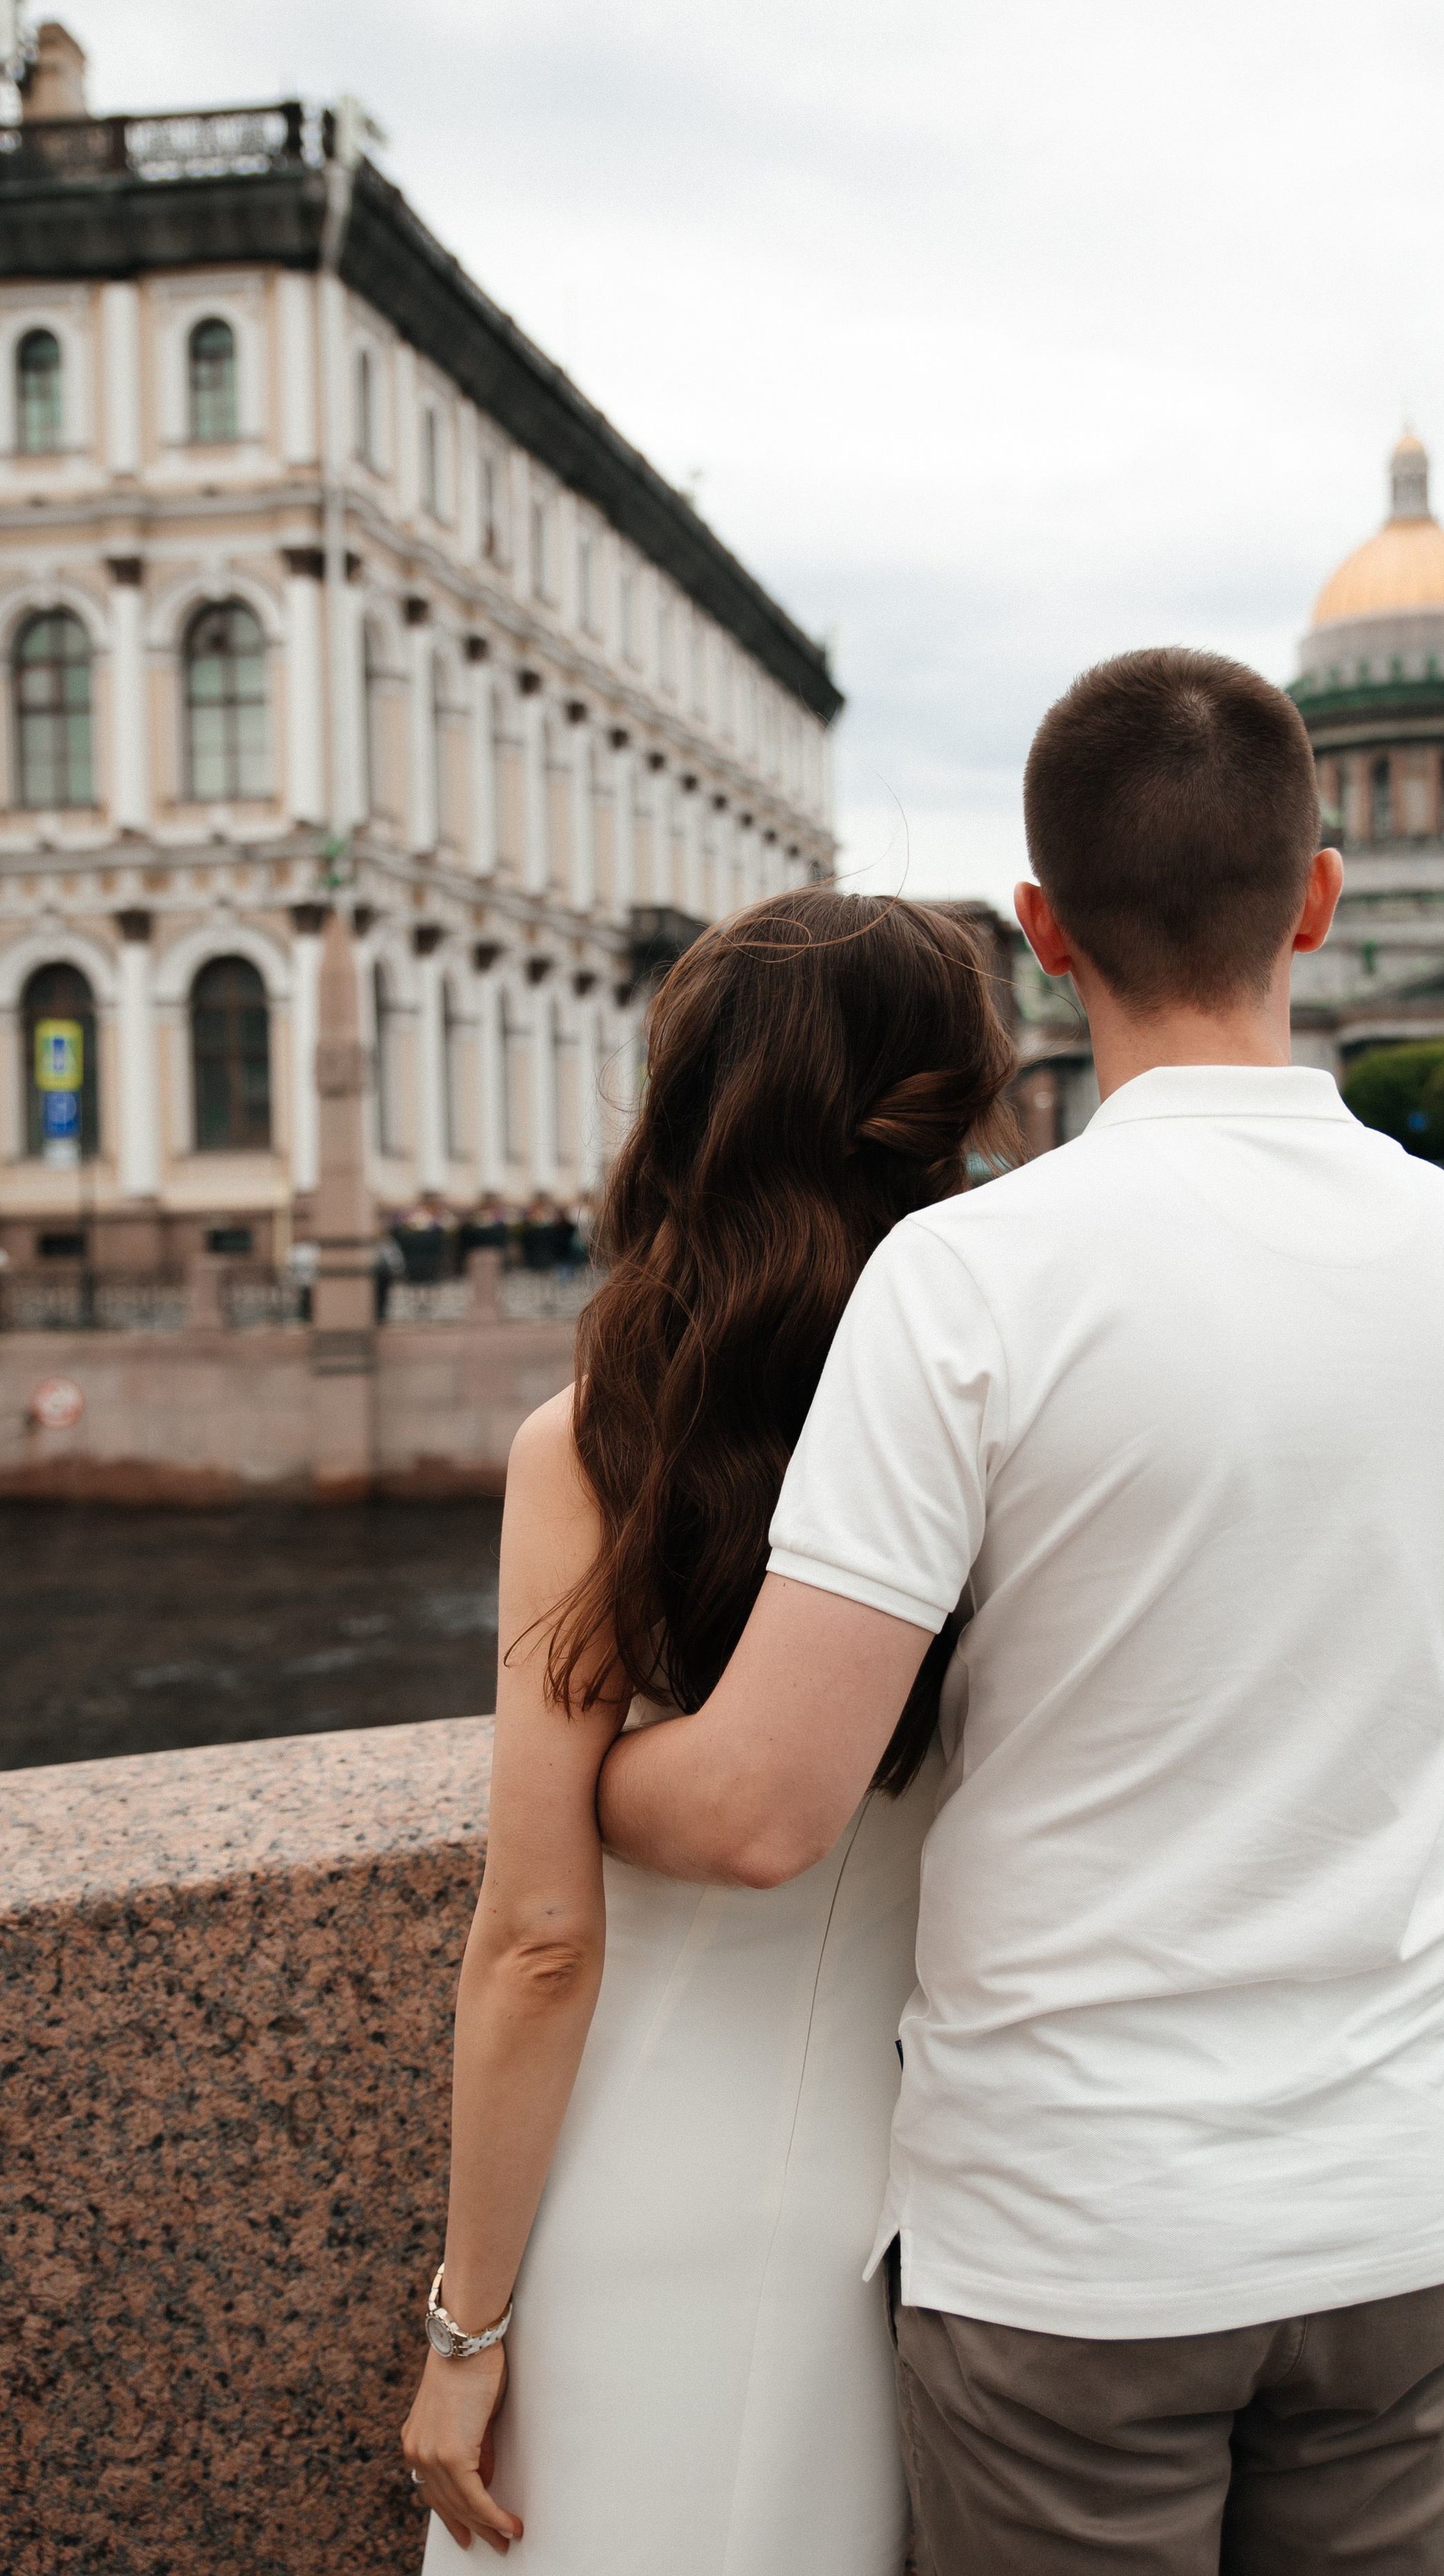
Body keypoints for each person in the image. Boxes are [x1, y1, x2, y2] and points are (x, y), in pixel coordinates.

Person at [597, 649, 1444, 2575]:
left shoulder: (972, 1283)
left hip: (1080, 2246)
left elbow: (768, 1808)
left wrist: (580, 1775)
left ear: (1041, 933)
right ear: (1319, 896)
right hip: (1402, 2205)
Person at [402, 889, 1016, 2568]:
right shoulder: (1012, 1408)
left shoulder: (598, 1437)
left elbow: (535, 1941)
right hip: (914, 2221)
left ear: (691, 1102)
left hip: (640, 2200)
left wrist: (464, 2333)